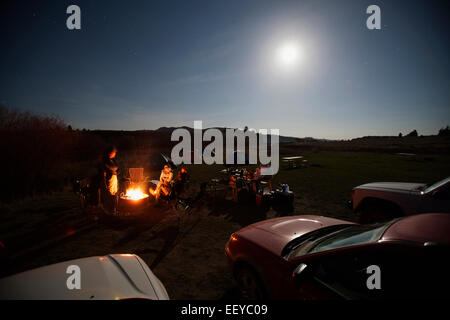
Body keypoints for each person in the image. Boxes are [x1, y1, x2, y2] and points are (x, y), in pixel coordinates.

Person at [99, 146, 119, 214]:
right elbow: (105, 172)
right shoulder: (105, 161)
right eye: (114, 152)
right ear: (110, 153)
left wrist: (116, 172)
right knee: (110, 195)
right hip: (109, 179)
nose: (115, 154)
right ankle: (110, 210)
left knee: (114, 194)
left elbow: (117, 168)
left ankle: (114, 210)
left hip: (114, 179)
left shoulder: (113, 160)